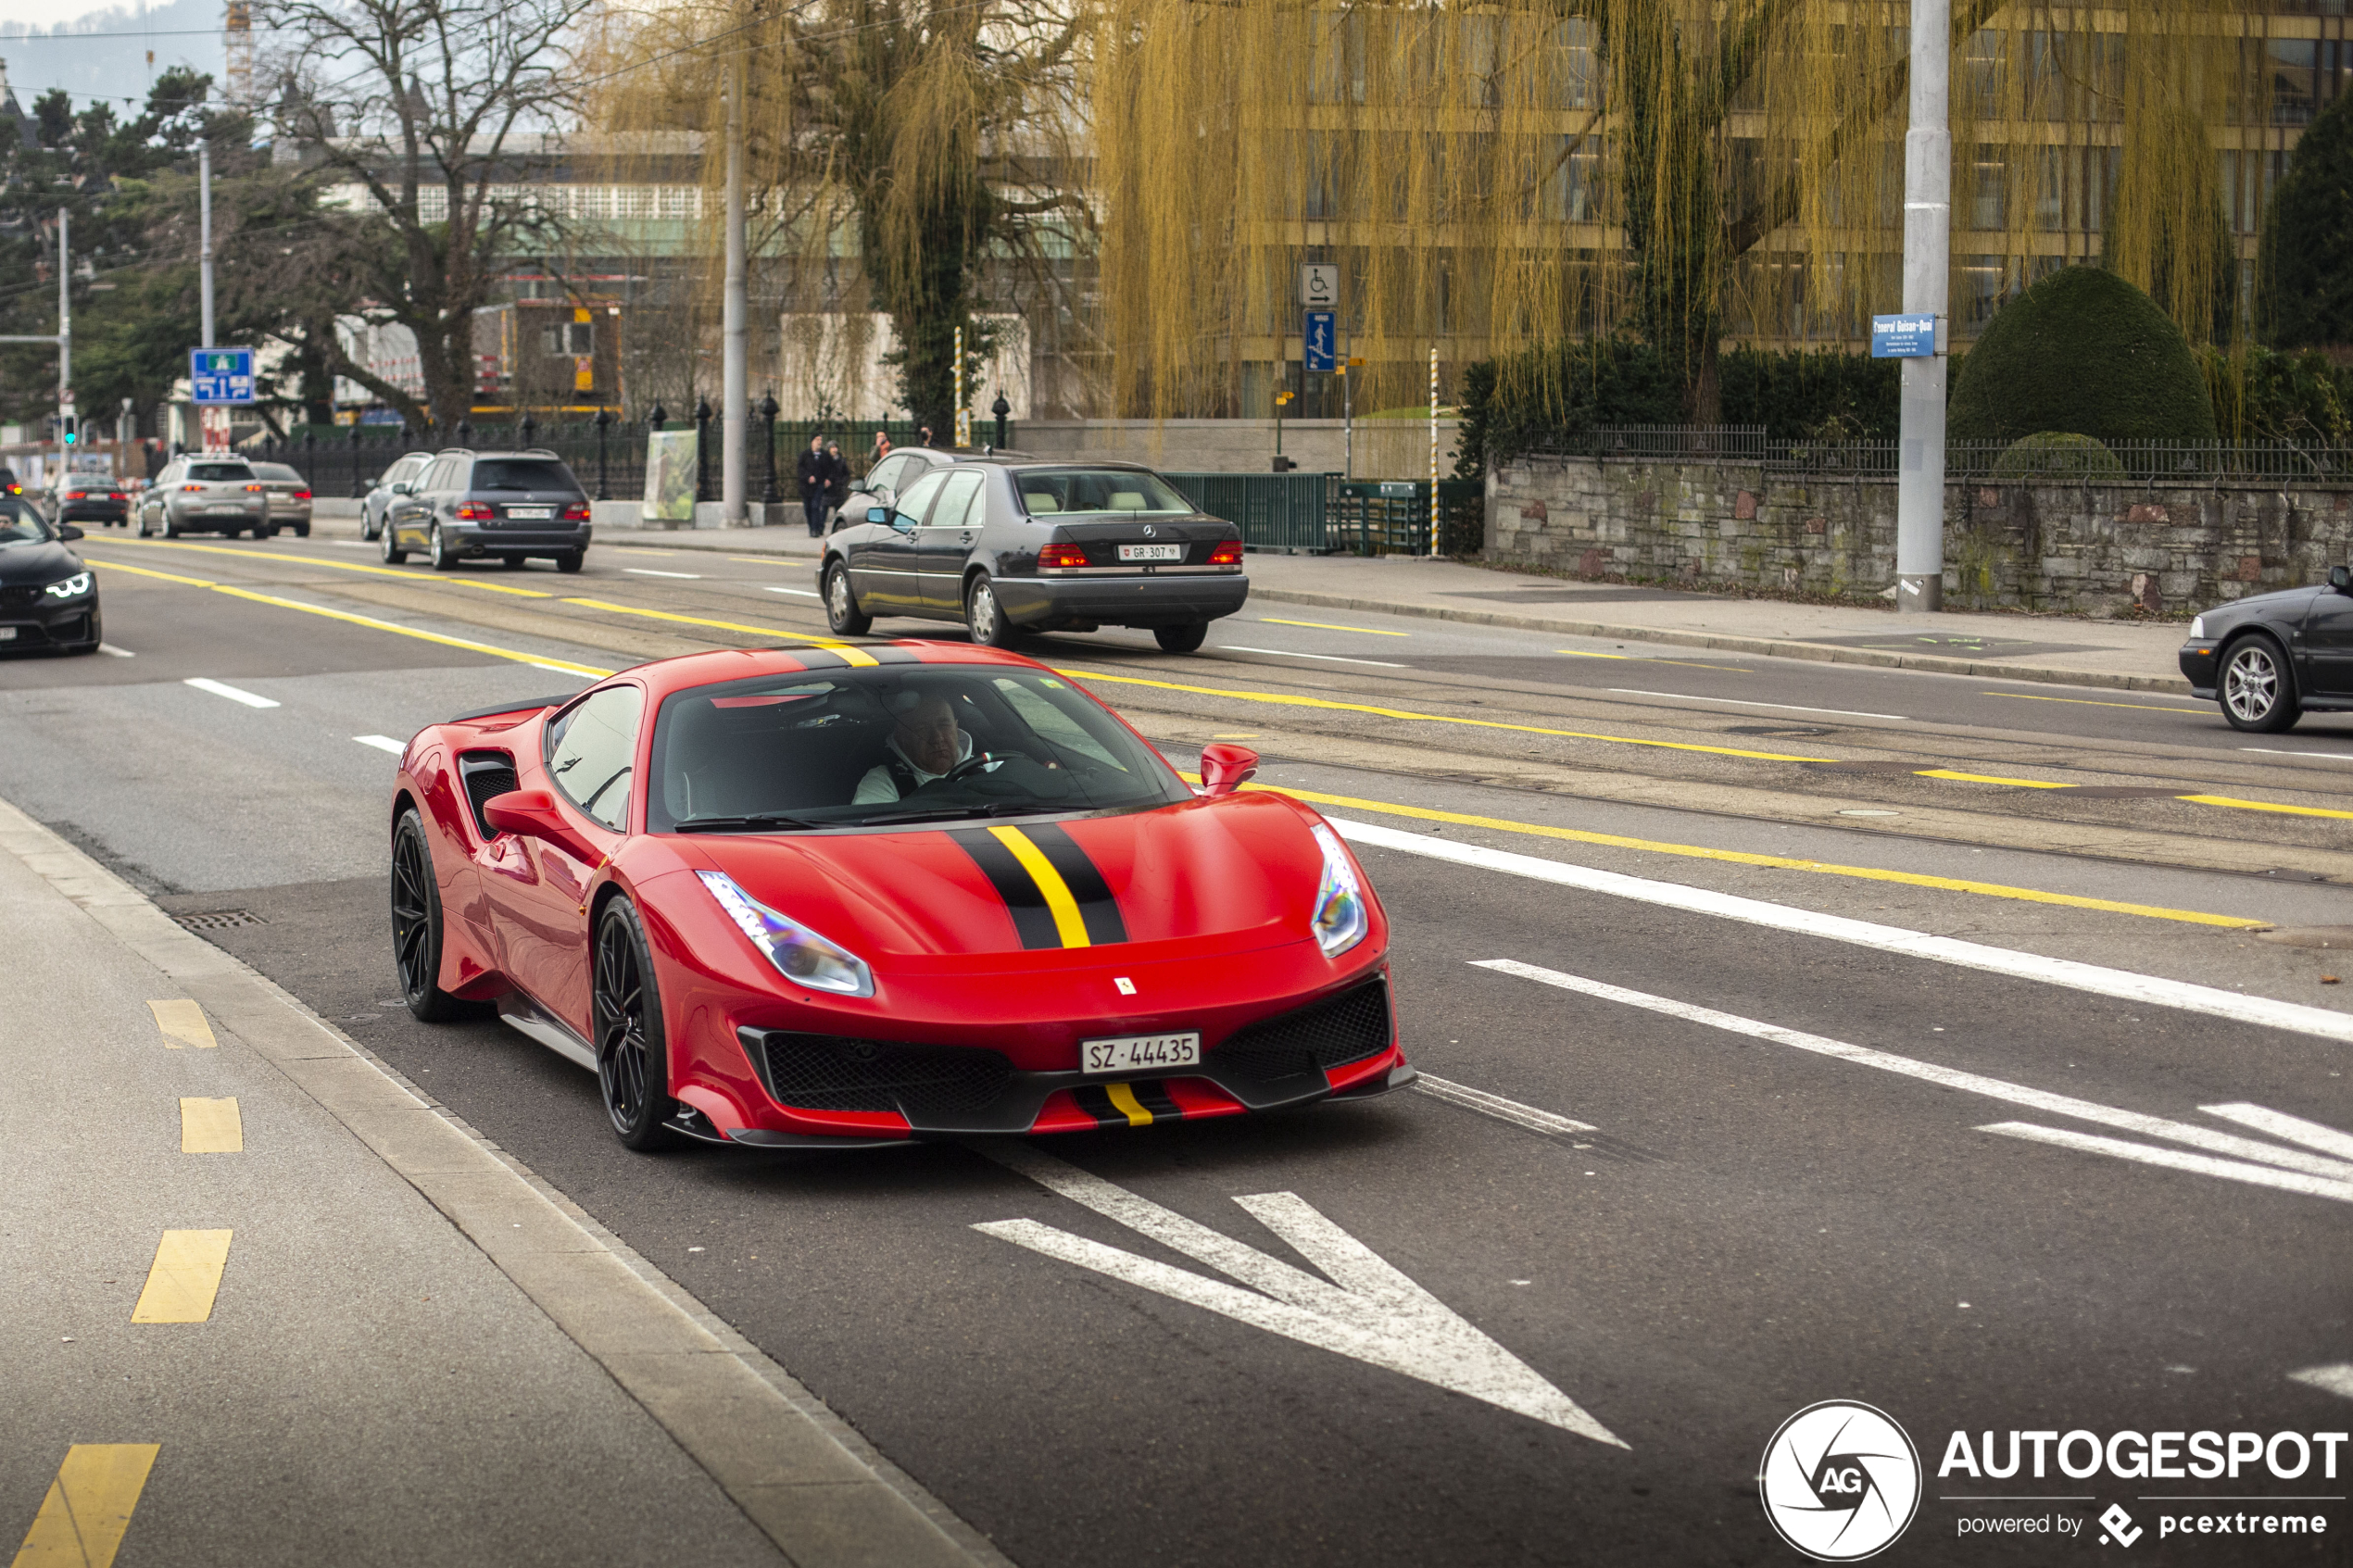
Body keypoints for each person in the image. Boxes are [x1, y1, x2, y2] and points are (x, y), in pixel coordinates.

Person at [853, 693, 974, 804]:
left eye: (944, 725)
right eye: (922, 728)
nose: (937, 738)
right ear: (902, 738)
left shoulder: (984, 766)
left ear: (956, 727)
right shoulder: (882, 782)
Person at [795, 433, 829, 536]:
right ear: (812, 442)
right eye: (817, 439)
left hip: (819, 484)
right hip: (806, 486)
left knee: (815, 506)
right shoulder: (805, 455)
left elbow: (829, 469)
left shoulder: (824, 455)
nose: (819, 442)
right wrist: (808, 476)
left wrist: (828, 479)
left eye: (820, 439)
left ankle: (815, 529)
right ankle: (813, 526)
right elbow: (800, 469)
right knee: (808, 508)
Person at [823, 441, 849, 528]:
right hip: (828, 489)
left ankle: (837, 526)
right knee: (824, 510)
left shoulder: (841, 460)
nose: (834, 449)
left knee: (838, 511)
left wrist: (842, 482)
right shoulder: (825, 461)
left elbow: (846, 474)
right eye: (832, 447)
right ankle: (820, 527)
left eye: (835, 447)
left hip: (838, 489)